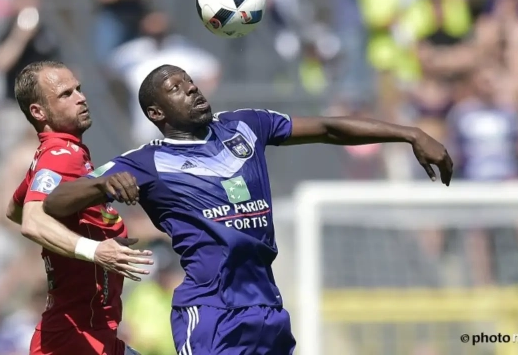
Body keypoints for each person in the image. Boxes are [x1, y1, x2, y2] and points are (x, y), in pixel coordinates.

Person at [43, 64, 453, 355]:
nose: (192, 89)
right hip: (212, 312)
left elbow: (329, 128)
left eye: (191, 82)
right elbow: (55, 202)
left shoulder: (245, 126)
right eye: (176, 88)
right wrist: (102, 184)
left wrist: (410, 133)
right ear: (156, 113)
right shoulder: (147, 162)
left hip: (268, 309)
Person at [5, 61, 151, 355]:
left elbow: (15, 209)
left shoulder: (57, 155)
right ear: (38, 112)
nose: (81, 98)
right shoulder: (61, 156)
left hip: (93, 333)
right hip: (73, 340)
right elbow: (31, 221)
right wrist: (94, 250)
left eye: (79, 89)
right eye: (66, 94)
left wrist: (83, 234)